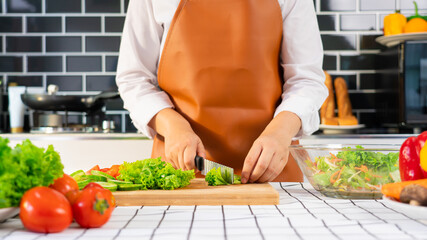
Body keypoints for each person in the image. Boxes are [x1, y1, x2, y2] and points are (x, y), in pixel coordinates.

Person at [116, 0, 328, 183]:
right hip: (183, 171)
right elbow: (134, 78)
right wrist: (173, 126)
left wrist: (280, 132)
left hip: (270, 171)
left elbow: (306, 80)